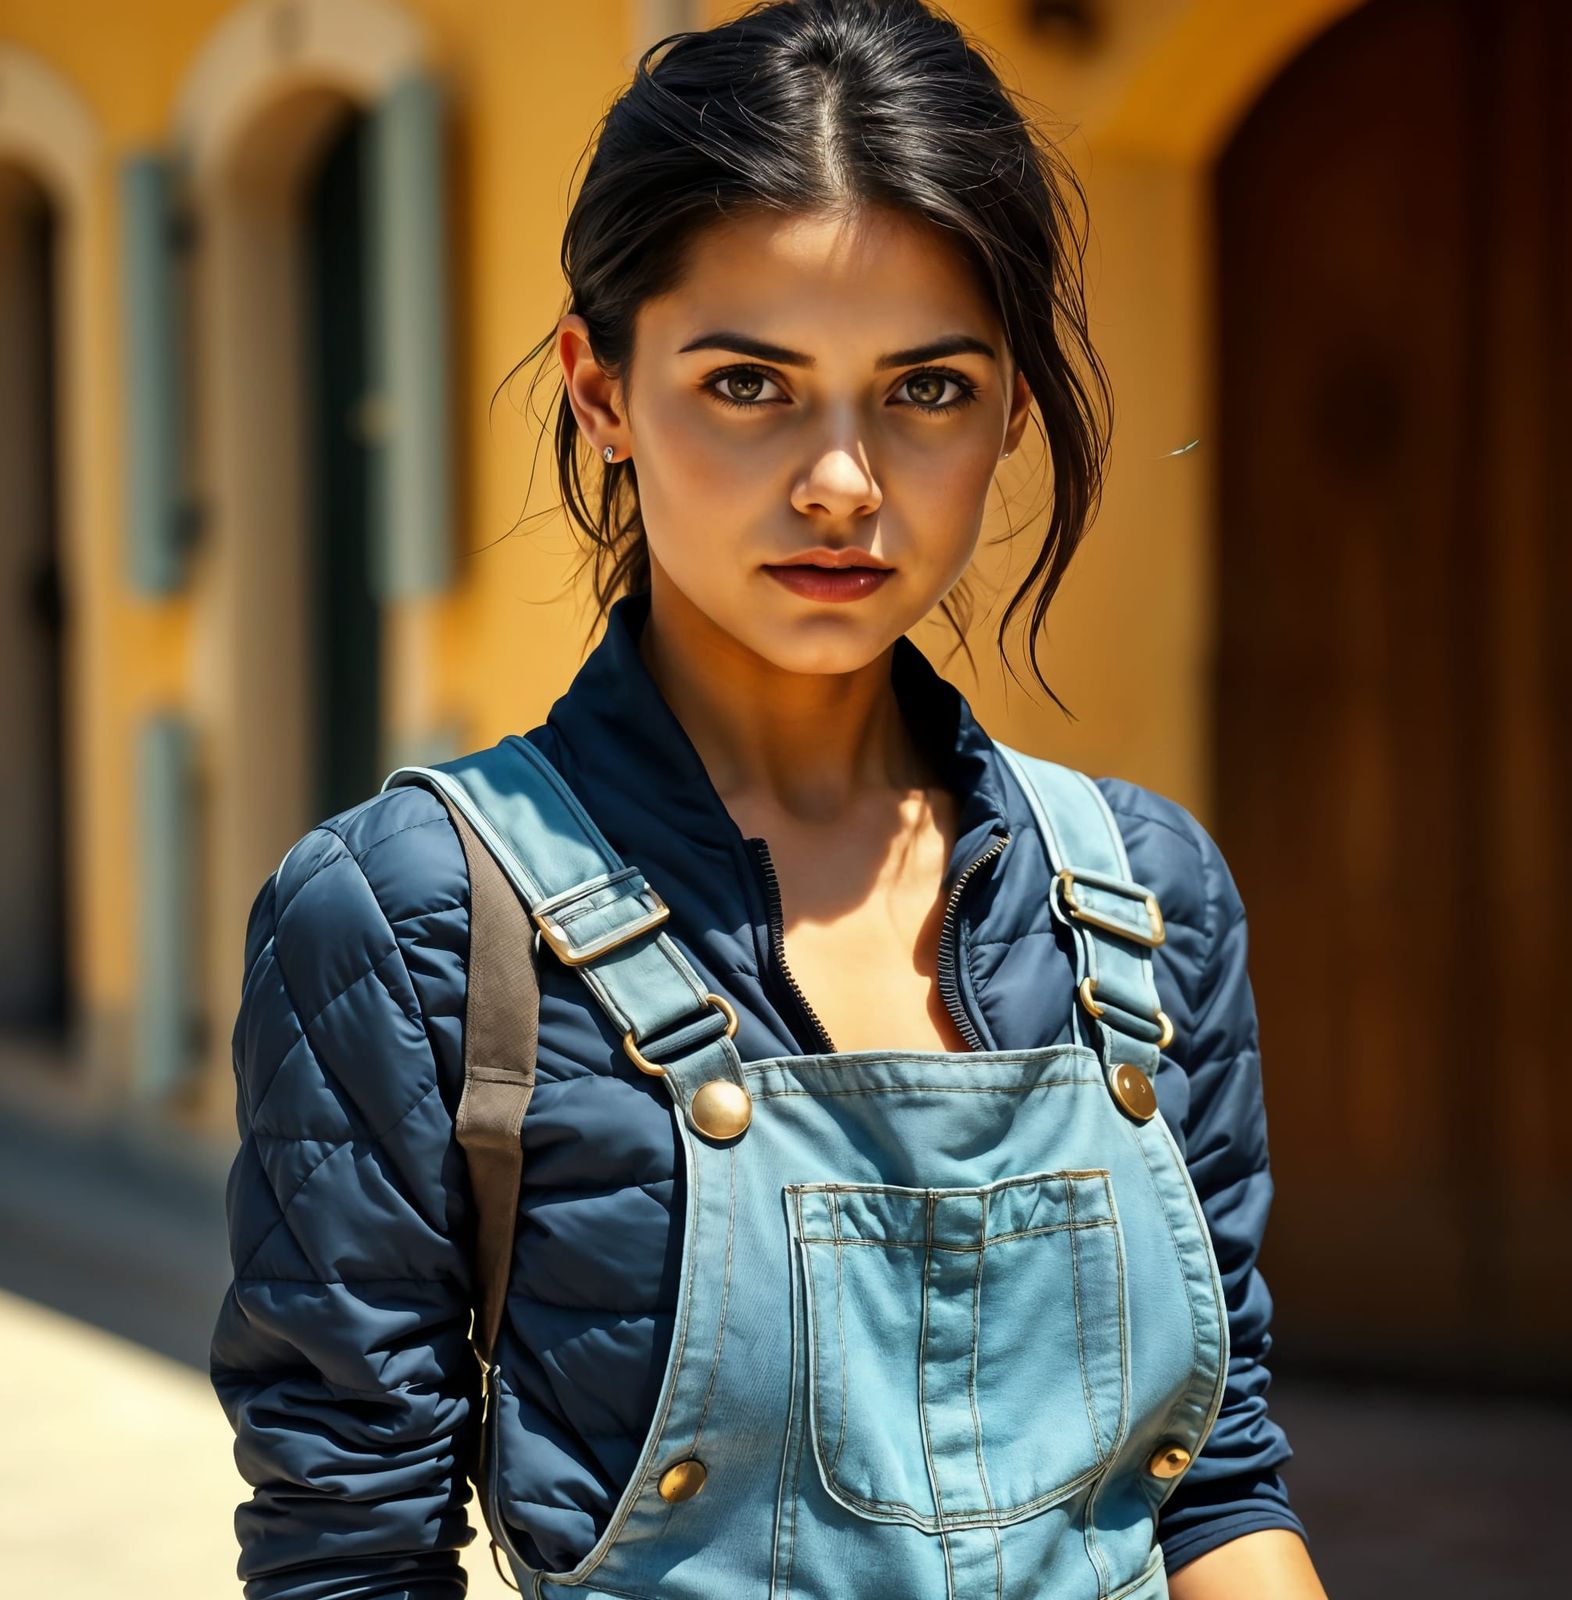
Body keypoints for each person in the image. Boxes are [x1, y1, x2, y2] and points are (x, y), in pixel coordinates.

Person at [210, 2, 1329, 1596]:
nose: (844, 481)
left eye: (928, 389)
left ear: (1013, 406)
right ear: (602, 391)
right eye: (750, 383)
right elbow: (349, 1550)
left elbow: (1215, 1480)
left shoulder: (1146, 897)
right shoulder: (416, 920)